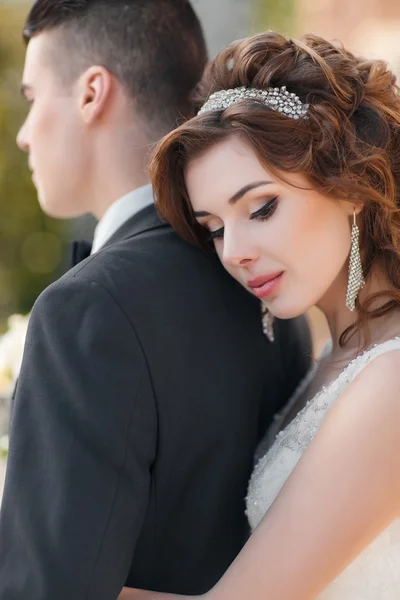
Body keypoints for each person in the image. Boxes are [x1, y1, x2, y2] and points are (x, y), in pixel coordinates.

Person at [0, 4, 311, 599]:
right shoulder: (274, 280)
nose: (23, 130)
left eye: (34, 96)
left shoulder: (88, 310)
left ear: (92, 92)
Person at [121, 30, 400, 600]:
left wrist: (43, 566)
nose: (233, 252)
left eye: (261, 207)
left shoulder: (391, 384)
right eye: (215, 229)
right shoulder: (332, 357)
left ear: (350, 184)